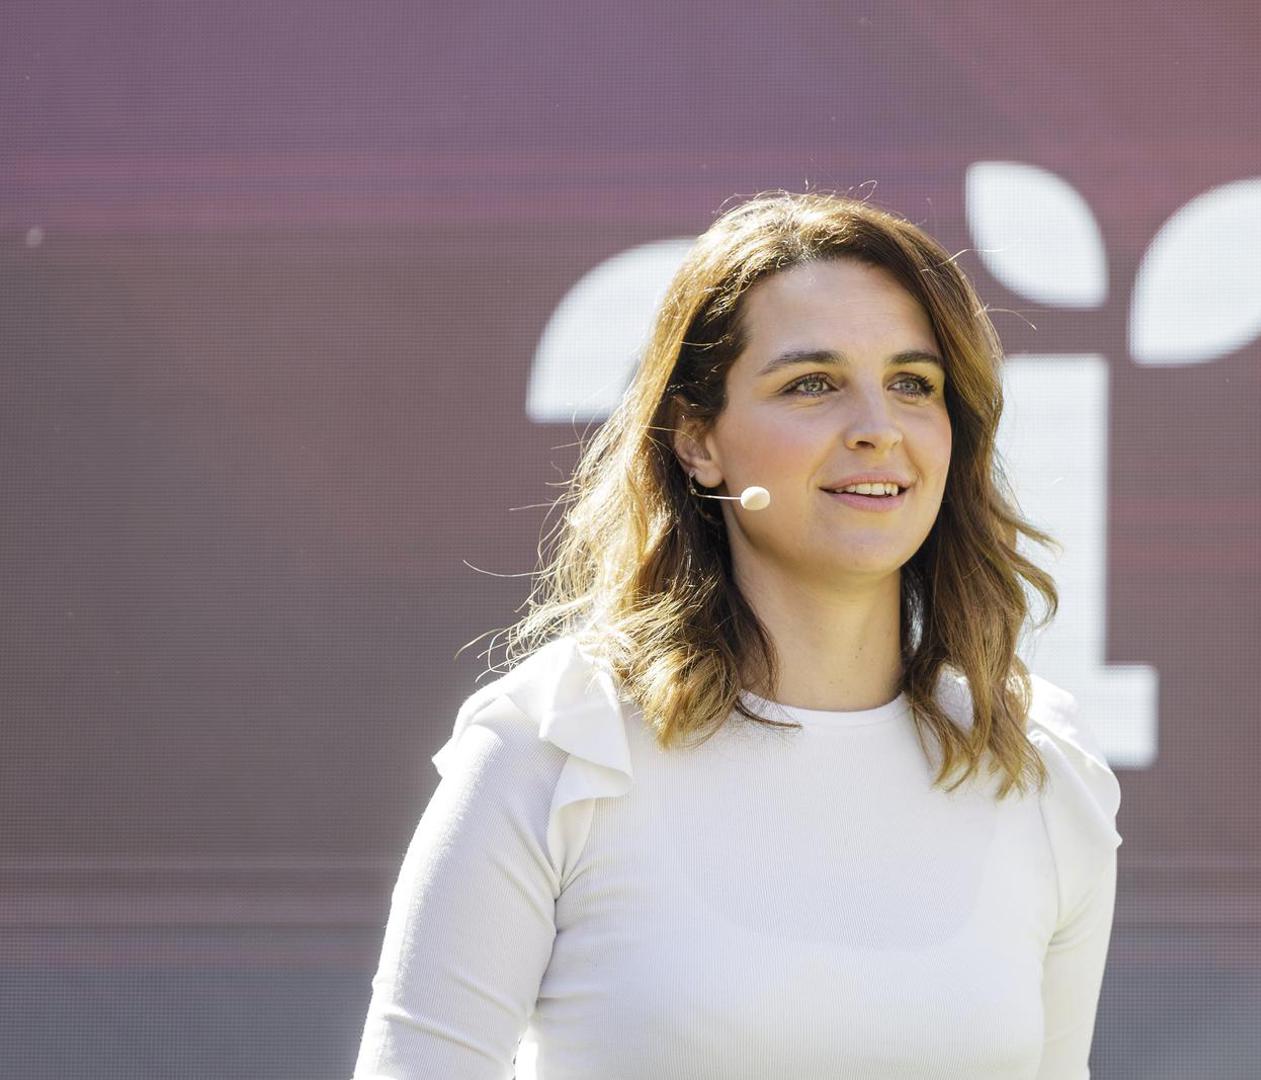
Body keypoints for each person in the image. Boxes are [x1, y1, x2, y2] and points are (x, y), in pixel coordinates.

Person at [352, 191, 1123, 1079]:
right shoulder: (554, 751)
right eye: (812, 384)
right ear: (697, 441)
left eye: (914, 383)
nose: (878, 429)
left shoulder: (1042, 777)